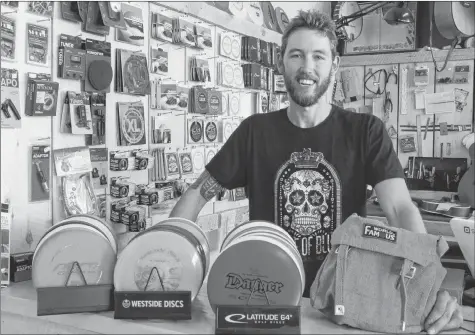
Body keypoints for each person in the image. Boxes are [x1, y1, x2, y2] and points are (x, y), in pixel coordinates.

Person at [170, 9, 463, 334]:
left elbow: (400, 208)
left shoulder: (365, 132)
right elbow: (198, 193)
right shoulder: (254, 132)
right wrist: (168, 257)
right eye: (296, 55)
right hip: (267, 303)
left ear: (334, 65)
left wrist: (430, 285)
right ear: (282, 61)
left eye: (318, 56)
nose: (307, 67)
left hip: (344, 305)